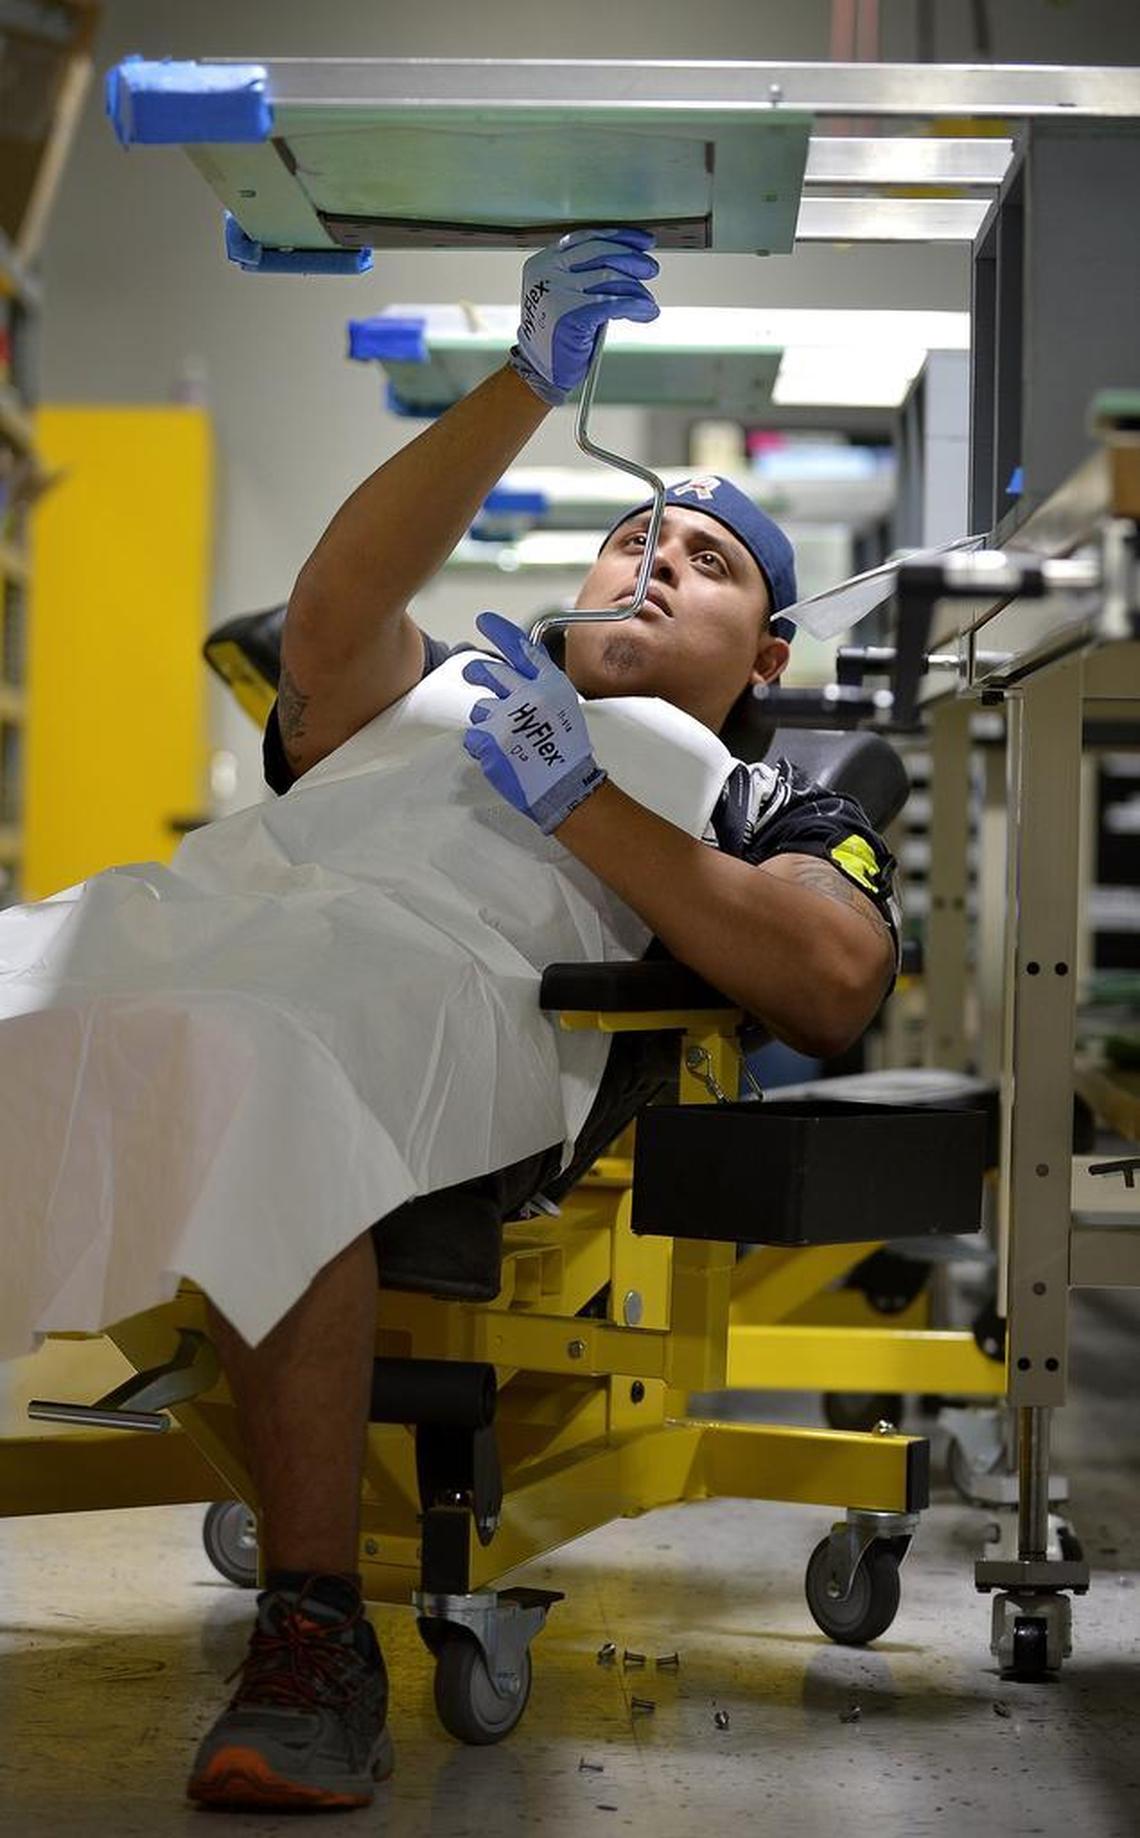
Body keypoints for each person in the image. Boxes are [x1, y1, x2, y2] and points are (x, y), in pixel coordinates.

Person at [184, 230, 896, 1811]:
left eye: (709, 564)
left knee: (271, 1079)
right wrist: (525, 384)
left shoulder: (766, 800)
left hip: (416, 1070)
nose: (655, 558)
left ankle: (315, 1642)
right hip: (228, 962)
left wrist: (584, 805)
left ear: (769, 654)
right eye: (633, 534)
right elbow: (326, 621)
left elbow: (836, 976)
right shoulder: (448, 685)